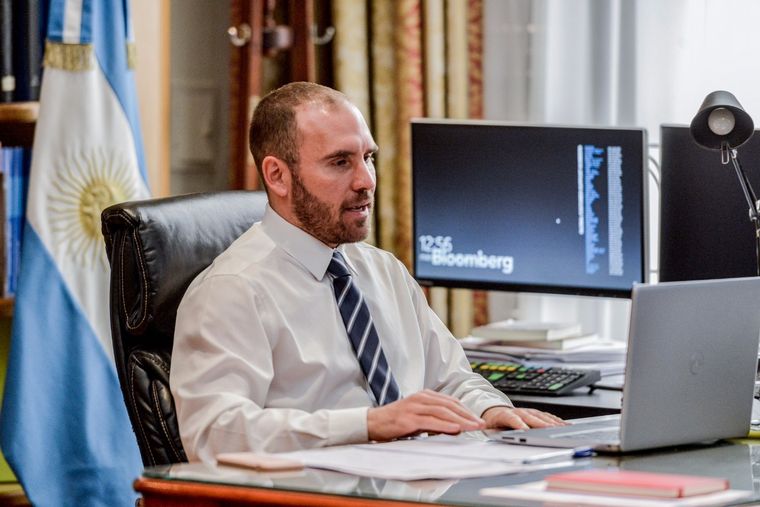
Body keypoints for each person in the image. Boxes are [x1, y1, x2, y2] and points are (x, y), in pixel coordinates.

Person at [171, 81, 565, 463]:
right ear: (278, 176)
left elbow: (450, 379)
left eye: (368, 157)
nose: (366, 181)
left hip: (418, 480)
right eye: (340, 162)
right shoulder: (232, 290)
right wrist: (368, 425)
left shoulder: (384, 270)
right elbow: (214, 434)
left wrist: (491, 410)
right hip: (315, 491)